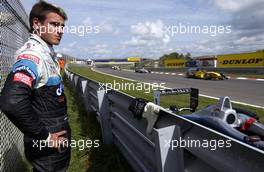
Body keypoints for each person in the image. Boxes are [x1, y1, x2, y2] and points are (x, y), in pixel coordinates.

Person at [0, 1, 71, 171]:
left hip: (55, 140)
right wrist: (46, 137)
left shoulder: (46, 52)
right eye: (54, 24)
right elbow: (12, 101)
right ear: (37, 24)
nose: (60, 30)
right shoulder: (32, 55)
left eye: (62, 26)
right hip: (48, 146)